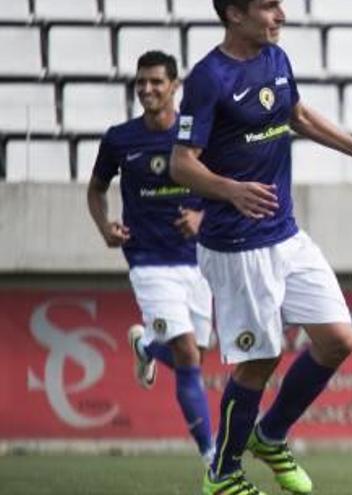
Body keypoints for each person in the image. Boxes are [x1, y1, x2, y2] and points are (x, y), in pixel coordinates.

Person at [169, 1, 352, 494]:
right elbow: (181, 164)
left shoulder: (275, 58)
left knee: (338, 339)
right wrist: (229, 189)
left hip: (285, 233)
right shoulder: (208, 77)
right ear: (235, 14)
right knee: (260, 361)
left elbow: (298, 116)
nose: (280, 14)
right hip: (238, 244)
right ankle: (222, 474)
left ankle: (271, 434)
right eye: (268, 6)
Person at [86, 51, 215, 465]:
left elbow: (226, 186)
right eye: (141, 82)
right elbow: (95, 189)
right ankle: (211, 458)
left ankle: (145, 345)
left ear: (174, 86)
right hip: (148, 260)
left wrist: (202, 214)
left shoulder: (197, 135)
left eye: (157, 82)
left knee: (196, 353)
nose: (147, 89)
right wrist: (105, 225)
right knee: (189, 354)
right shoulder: (120, 138)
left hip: (198, 262)